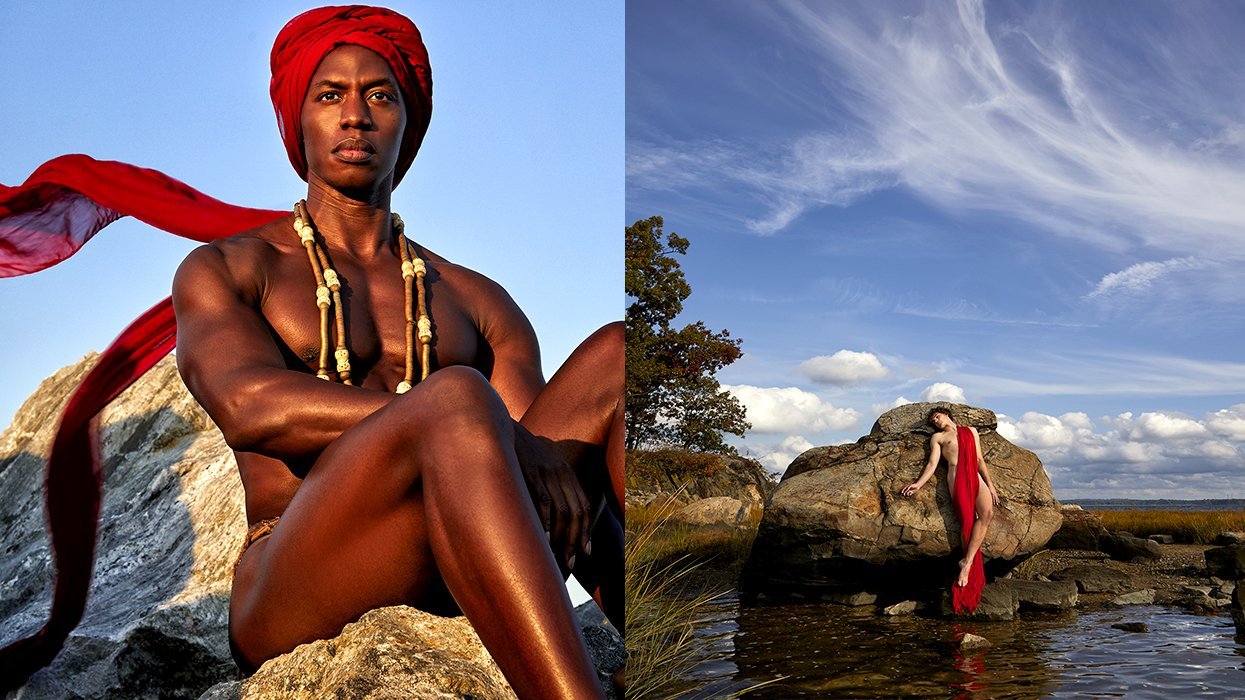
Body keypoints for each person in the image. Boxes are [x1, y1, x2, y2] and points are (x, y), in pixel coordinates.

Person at [0, 7, 620, 699]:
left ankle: (647, 649)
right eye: (330, 95)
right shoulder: (233, 267)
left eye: (380, 95)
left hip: (468, 550)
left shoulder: (475, 297)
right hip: (292, 577)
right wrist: (478, 418)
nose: (355, 115)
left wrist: (498, 429)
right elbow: (248, 405)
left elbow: (548, 473)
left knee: (617, 354)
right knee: (456, 396)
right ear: (297, 119)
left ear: (408, 121)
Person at [900, 406, 998, 612]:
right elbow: (932, 464)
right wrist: (918, 484)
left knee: (987, 514)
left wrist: (990, 484)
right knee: (967, 523)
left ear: (948, 414)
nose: (935, 420)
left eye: (937, 415)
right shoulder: (937, 438)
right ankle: (968, 565)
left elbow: (980, 460)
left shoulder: (971, 431)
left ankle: (967, 562)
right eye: (932, 419)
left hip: (975, 474)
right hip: (957, 477)